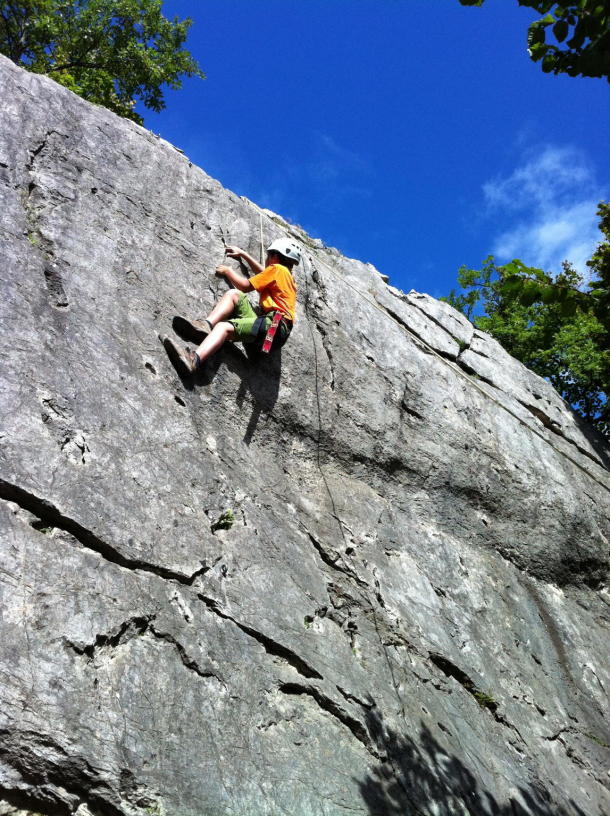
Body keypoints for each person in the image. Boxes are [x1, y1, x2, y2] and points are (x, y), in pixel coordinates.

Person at [162, 239, 301, 376]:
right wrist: (243, 254)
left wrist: (228, 271)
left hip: (273, 325)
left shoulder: (276, 269)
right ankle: (205, 325)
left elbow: (245, 286)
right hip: (273, 331)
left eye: (268, 255)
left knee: (223, 327)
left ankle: (194, 360)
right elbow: (262, 273)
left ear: (274, 257)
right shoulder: (287, 277)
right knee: (234, 295)